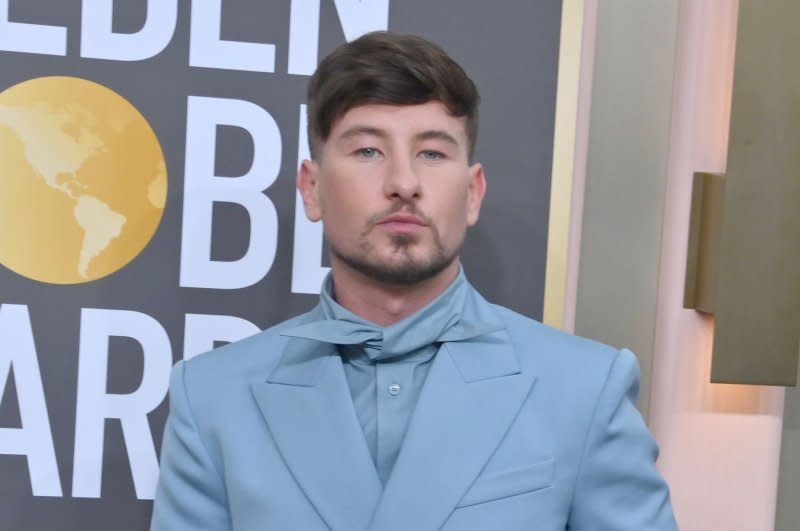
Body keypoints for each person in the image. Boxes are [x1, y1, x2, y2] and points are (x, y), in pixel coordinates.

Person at [150, 31, 677, 531]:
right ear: (311, 189)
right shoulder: (214, 398)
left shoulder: (584, 389)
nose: (403, 183)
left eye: (432, 152)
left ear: (472, 193)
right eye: (368, 151)